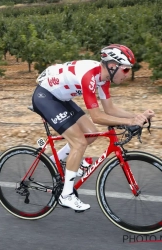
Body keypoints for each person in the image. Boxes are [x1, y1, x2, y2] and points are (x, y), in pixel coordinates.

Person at [32, 44, 155, 211]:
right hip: (45, 97)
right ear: (112, 66)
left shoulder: (103, 78)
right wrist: (129, 122)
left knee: (91, 134)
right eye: (125, 70)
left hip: (61, 98)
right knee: (79, 143)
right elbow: (97, 117)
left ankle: (56, 161)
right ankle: (66, 196)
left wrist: (136, 116)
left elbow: (110, 110)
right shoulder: (89, 76)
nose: (128, 74)